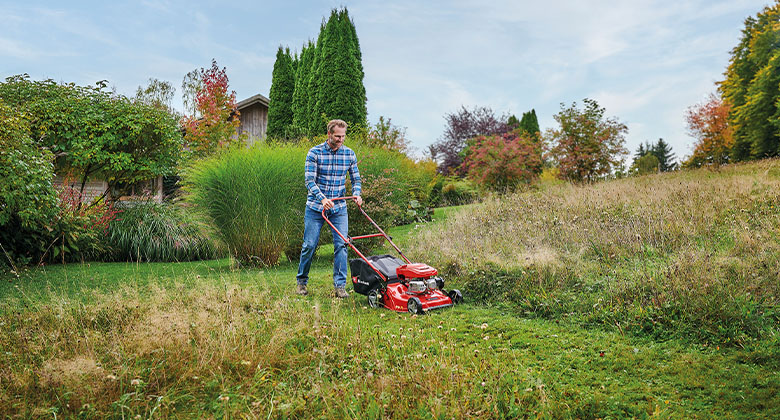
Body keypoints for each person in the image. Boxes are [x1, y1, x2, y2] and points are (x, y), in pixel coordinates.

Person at [296, 119, 363, 298]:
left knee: (342, 244)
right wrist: (323, 199)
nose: (341, 139)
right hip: (316, 208)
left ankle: (340, 286)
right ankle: (301, 282)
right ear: (329, 134)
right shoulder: (314, 153)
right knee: (309, 245)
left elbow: (356, 179)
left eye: (343, 136)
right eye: (337, 136)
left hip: (339, 208)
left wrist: (357, 193)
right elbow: (309, 181)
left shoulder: (349, 154)